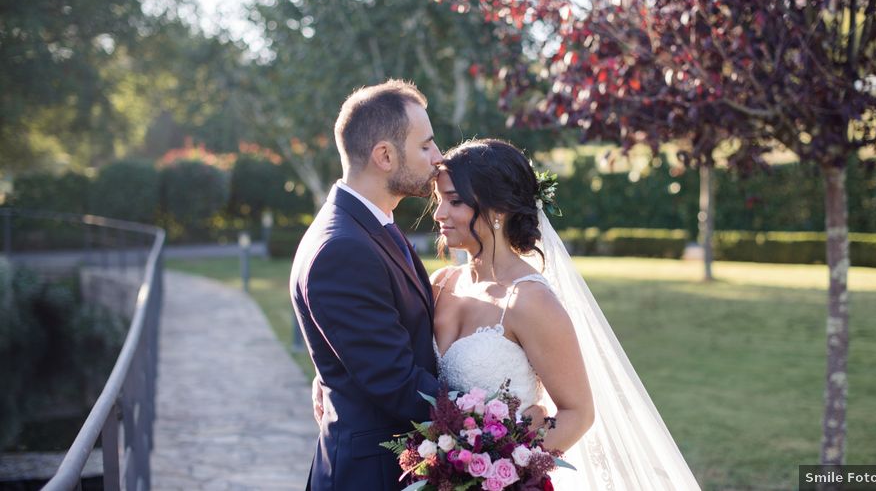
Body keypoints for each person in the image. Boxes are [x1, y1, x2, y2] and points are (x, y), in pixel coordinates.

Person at [431, 139, 701, 490]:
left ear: (497, 209)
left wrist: (502, 473)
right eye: (438, 200)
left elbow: (578, 412)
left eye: (453, 201)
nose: (439, 214)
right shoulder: (441, 283)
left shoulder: (529, 301)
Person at [289, 79, 443, 491]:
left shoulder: (371, 225)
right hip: (370, 474)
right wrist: (498, 417)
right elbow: (398, 385)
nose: (438, 157)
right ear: (385, 155)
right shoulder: (342, 249)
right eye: (426, 146)